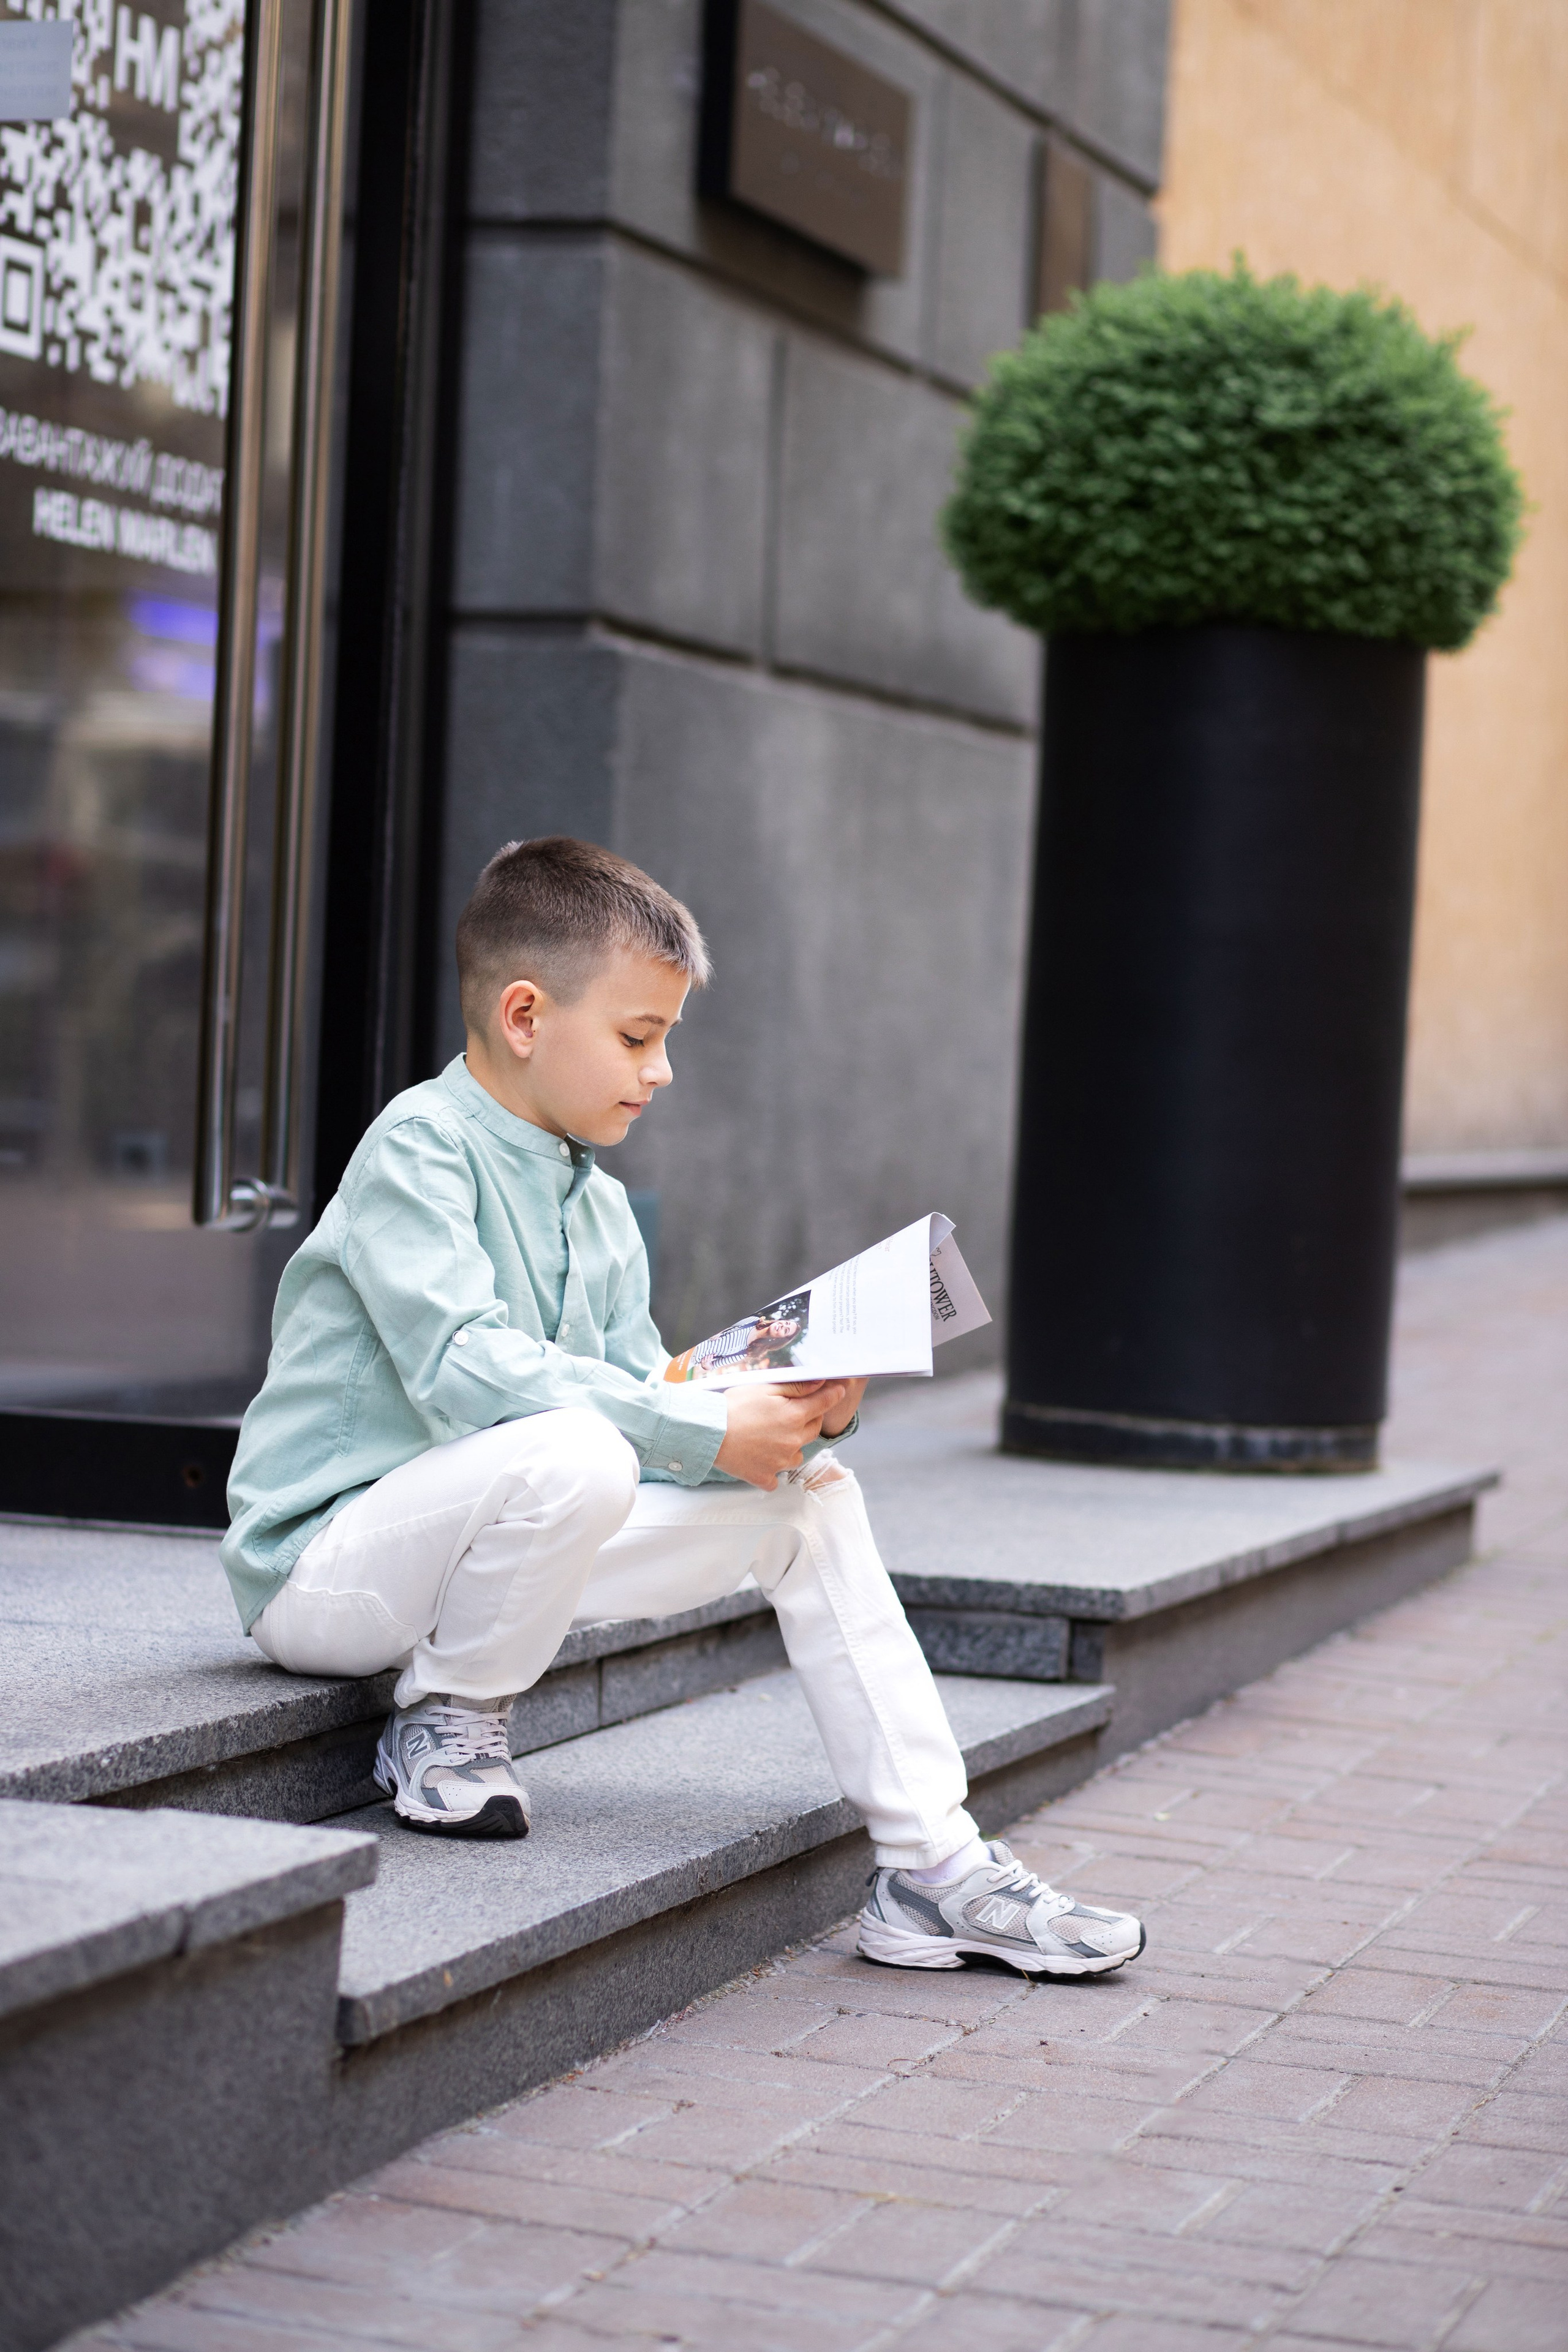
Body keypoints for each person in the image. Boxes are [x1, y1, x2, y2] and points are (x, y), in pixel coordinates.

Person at [221, 837, 1145, 1979]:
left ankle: (934, 1871)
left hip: (496, 1559)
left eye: (664, 1042)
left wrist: (793, 1417)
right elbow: (464, 1367)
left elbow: (643, 1418)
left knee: (809, 1502)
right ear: (523, 1015)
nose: (659, 1073)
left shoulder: (598, 1207)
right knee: (575, 1449)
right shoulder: (418, 1149)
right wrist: (693, 1421)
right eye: (637, 1038)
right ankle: (447, 1724)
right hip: (328, 1574)